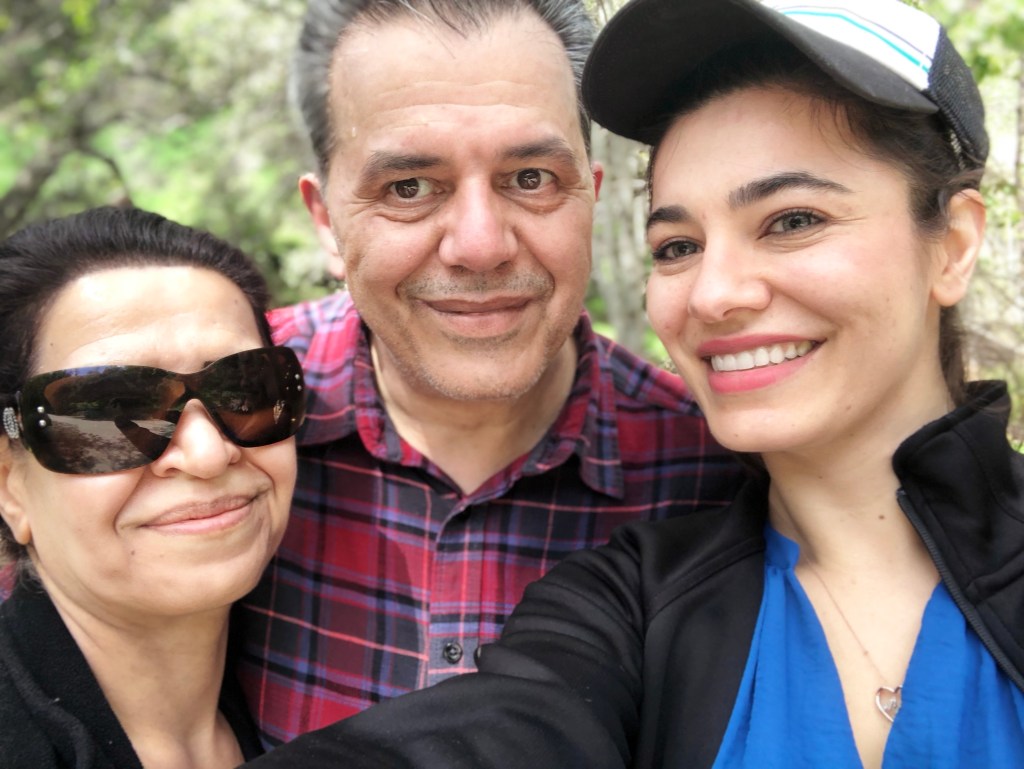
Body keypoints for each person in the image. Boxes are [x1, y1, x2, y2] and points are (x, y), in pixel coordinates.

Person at [242, 1, 1024, 767]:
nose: (715, 293)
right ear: (325, 219)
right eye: (679, 244)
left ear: (953, 244)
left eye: (793, 220)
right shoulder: (210, 420)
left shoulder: (688, 464)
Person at [234, 0, 744, 745]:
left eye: (531, 177)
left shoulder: (719, 470)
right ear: (326, 222)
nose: (480, 245)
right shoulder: (221, 425)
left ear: (591, 197)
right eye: (409, 187)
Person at [0, 206, 306, 768]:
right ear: (8, 483)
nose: (209, 454)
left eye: (244, 389)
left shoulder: (284, 704)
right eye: (113, 411)